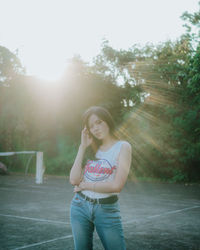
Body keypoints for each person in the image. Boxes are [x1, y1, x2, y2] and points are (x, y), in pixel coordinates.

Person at [69, 106, 132, 250]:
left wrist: (85, 185)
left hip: (107, 209)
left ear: (108, 121)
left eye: (99, 122)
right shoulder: (91, 148)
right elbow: (73, 180)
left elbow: (117, 186)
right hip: (79, 206)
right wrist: (82, 146)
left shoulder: (123, 147)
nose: (95, 128)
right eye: (91, 126)